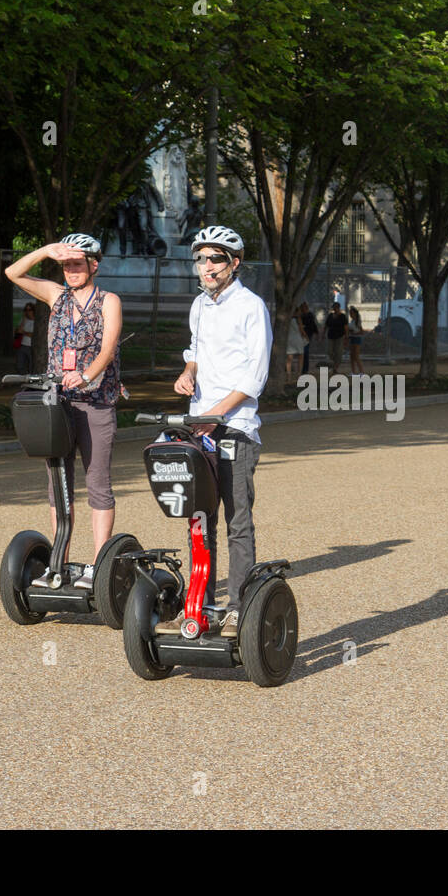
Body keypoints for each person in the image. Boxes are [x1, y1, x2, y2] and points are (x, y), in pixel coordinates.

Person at [164, 225, 271, 638]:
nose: (206, 266)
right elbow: (196, 352)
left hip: (236, 429)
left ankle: (239, 611)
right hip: (200, 427)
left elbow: (255, 376)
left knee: (237, 522)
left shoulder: (250, 306)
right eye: (201, 259)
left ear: (234, 263)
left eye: (215, 259)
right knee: (198, 519)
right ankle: (200, 605)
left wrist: (216, 414)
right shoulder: (200, 305)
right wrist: (187, 373)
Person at [4, 232, 122, 591]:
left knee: (97, 482)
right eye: (67, 264)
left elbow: (108, 347)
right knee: (59, 485)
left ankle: (99, 569)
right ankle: (60, 562)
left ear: (93, 265)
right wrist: (45, 251)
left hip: (96, 401)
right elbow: (13, 273)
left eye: (78, 263)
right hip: (58, 404)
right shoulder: (57, 296)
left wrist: (85, 375)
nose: (71, 270)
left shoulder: (108, 301)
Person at [324, 302, 347, 374]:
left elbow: (346, 327)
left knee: (338, 352)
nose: (335, 309)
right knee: (329, 351)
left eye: (336, 308)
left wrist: (346, 337)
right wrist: (322, 334)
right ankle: (334, 363)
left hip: (339, 336)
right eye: (334, 307)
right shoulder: (330, 316)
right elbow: (326, 325)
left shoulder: (342, 316)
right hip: (331, 336)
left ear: (339, 308)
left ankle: (335, 368)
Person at [14, 302, 35, 374]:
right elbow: (18, 331)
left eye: (30, 310)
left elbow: (33, 335)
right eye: (26, 310)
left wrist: (24, 332)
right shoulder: (24, 320)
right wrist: (23, 320)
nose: (28, 312)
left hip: (31, 346)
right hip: (22, 345)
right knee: (19, 365)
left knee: (31, 365)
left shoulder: (37, 322)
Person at [299, 301, 318, 374]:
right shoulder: (299, 316)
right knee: (301, 352)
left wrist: (316, 333)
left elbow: (313, 325)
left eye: (305, 308)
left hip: (308, 335)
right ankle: (302, 368)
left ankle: (305, 369)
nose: (304, 309)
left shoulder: (310, 315)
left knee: (305, 352)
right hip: (300, 335)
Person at [285, 313, 305, 384]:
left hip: (289, 339)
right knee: (300, 358)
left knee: (289, 360)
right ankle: (299, 376)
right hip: (298, 339)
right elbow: (301, 329)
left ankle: (288, 377)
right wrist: (306, 336)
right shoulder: (298, 319)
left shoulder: (286, 318)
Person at [347, 305, 366, 375]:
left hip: (357, 339)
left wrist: (354, 333)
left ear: (355, 313)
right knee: (351, 356)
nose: (350, 315)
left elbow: (361, 332)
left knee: (356, 356)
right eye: (350, 313)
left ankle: (361, 371)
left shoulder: (357, 321)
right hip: (352, 338)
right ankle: (353, 371)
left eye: (351, 313)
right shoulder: (352, 321)